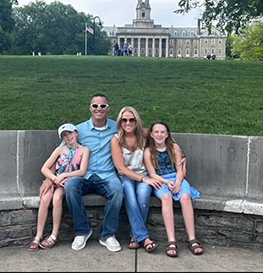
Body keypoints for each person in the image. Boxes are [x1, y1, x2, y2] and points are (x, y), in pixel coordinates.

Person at [40, 93, 124, 252]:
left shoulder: (117, 128)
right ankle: (82, 231)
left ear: (108, 108)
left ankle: (108, 235)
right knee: (71, 187)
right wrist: (49, 179)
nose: (98, 109)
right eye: (95, 106)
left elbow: (141, 133)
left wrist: (170, 143)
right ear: (90, 108)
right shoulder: (78, 130)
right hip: (82, 175)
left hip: (107, 175)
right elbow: (61, 152)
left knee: (118, 191)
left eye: (102, 106)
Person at [144, 120, 203, 258]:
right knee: (166, 197)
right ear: (151, 135)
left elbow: (180, 169)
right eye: (156, 132)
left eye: (162, 132)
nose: (159, 134)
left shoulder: (174, 147)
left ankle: (192, 239)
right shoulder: (148, 151)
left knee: (185, 197)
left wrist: (177, 182)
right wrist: (166, 182)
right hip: (160, 180)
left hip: (177, 178)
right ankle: (171, 240)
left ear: (167, 134)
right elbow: (152, 174)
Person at [28, 123, 90, 252]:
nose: (68, 137)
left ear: (76, 133)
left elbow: (82, 171)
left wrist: (65, 176)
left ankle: (54, 234)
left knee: (57, 199)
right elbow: (44, 168)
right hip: (56, 180)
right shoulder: (60, 150)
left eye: (70, 133)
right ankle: (38, 236)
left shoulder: (84, 150)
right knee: (45, 200)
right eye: (65, 136)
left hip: (67, 181)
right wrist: (54, 178)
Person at [111, 106, 161, 252]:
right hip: (125, 176)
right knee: (130, 197)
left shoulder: (145, 134)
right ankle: (144, 238)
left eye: (132, 119)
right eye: (124, 120)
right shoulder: (115, 140)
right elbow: (121, 168)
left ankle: (135, 235)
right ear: (119, 122)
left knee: (143, 195)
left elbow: (168, 140)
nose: (128, 123)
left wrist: (181, 158)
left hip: (145, 175)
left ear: (136, 121)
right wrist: (143, 179)